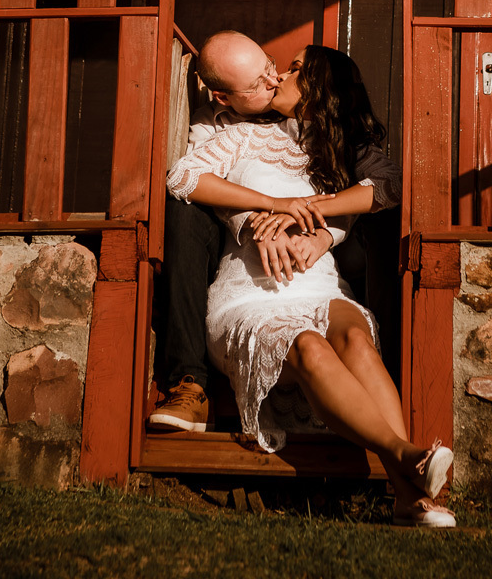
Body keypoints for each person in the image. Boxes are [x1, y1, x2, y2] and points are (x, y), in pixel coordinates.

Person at [166, 45, 456, 529]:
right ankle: (405, 459)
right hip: (251, 297)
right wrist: (267, 207)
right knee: (309, 347)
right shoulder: (235, 133)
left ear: (320, 87)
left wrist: (323, 226)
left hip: (321, 289)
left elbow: (388, 186)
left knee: (357, 338)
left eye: (295, 69)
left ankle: (408, 499)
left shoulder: (333, 149)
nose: (278, 74)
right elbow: (184, 176)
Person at [149, 31, 352, 433]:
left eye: (271, 67)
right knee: (182, 216)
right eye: (259, 83)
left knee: (367, 249)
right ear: (224, 97)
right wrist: (258, 216)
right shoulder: (213, 126)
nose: (275, 81)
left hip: (314, 236)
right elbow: (194, 182)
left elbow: (358, 185)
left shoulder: (310, 112)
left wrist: (325, 234)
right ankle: (189, 385)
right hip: (237, 239)